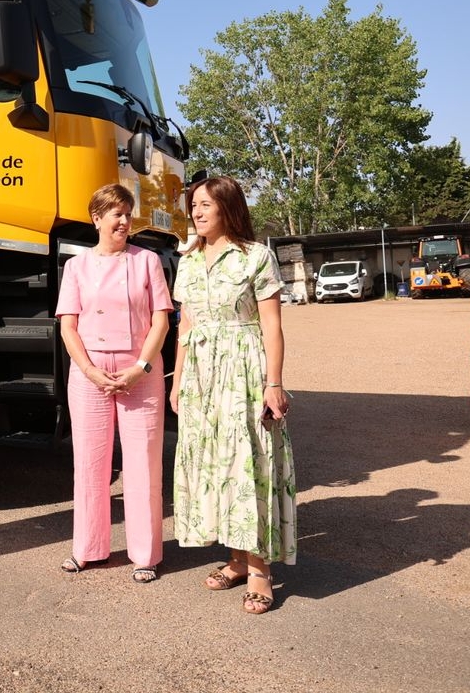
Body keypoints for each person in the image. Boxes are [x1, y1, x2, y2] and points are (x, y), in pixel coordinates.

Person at [169, 176, 296, 615]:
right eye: (193, 206)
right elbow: (185, 328)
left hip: (243, 370)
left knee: (246, 464)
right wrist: (176, 381)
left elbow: (272, 327)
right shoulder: (186, 261)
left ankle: (260, 570)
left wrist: (273, 382)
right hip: (201, 377)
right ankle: (237, 559)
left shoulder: (255, 257)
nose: (197, 212)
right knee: (215, 464)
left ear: (228, 207)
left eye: (205, 205)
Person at [55, 184, 172, 583]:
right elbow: (68, 325)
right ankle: (87, 548)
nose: (124, 221)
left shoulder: (147, 261)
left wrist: (141, 366)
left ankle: (145, 554)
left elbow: (161, 319)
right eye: (116, 214)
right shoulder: (76, 267)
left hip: (139, 370)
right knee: (90, 463)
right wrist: (88, 370)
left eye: (127, 213)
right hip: (91, 374)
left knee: (142, 463)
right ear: (97, 219)